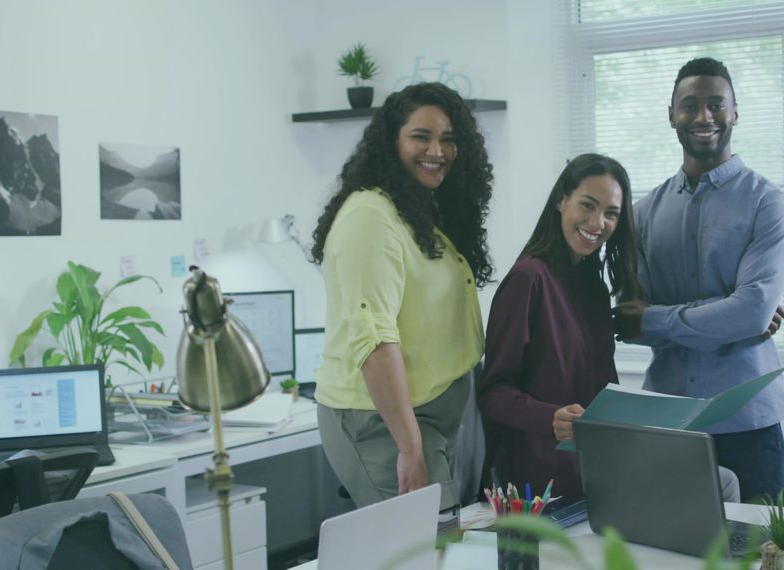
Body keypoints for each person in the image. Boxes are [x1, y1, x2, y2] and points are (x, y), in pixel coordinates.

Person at [478, 153, 739, 503]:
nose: (597, 222)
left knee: (721, 481)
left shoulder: (594, 286)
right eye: (587, 205)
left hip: (597, 463)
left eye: (611, 213)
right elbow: (493, 392)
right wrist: (548, 417)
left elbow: (598, 387)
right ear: (561, 201)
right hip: (540, 476)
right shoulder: (528, 280)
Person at [615, 57, 784, 504]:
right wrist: (727, 315)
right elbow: (625, 319)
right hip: (669, 424)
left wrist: (656, 320)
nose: (703, 116)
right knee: (670, 555)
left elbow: (751, 310)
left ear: (735, 113)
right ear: (671, 115)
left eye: (716, 104)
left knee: (757, 557)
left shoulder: (767, 204)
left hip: (750, 427)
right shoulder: (641, 214)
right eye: (689, 105)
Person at [310, 82, 494, 510]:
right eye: (421, 137)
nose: (438, 151)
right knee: (422, 547)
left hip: (426, 418)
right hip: (383, 422)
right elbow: (375, 341)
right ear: (391, 141)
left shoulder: (415, 209)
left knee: (435, 546)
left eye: (448, 140)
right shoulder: (369, 217)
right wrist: (410, 448)